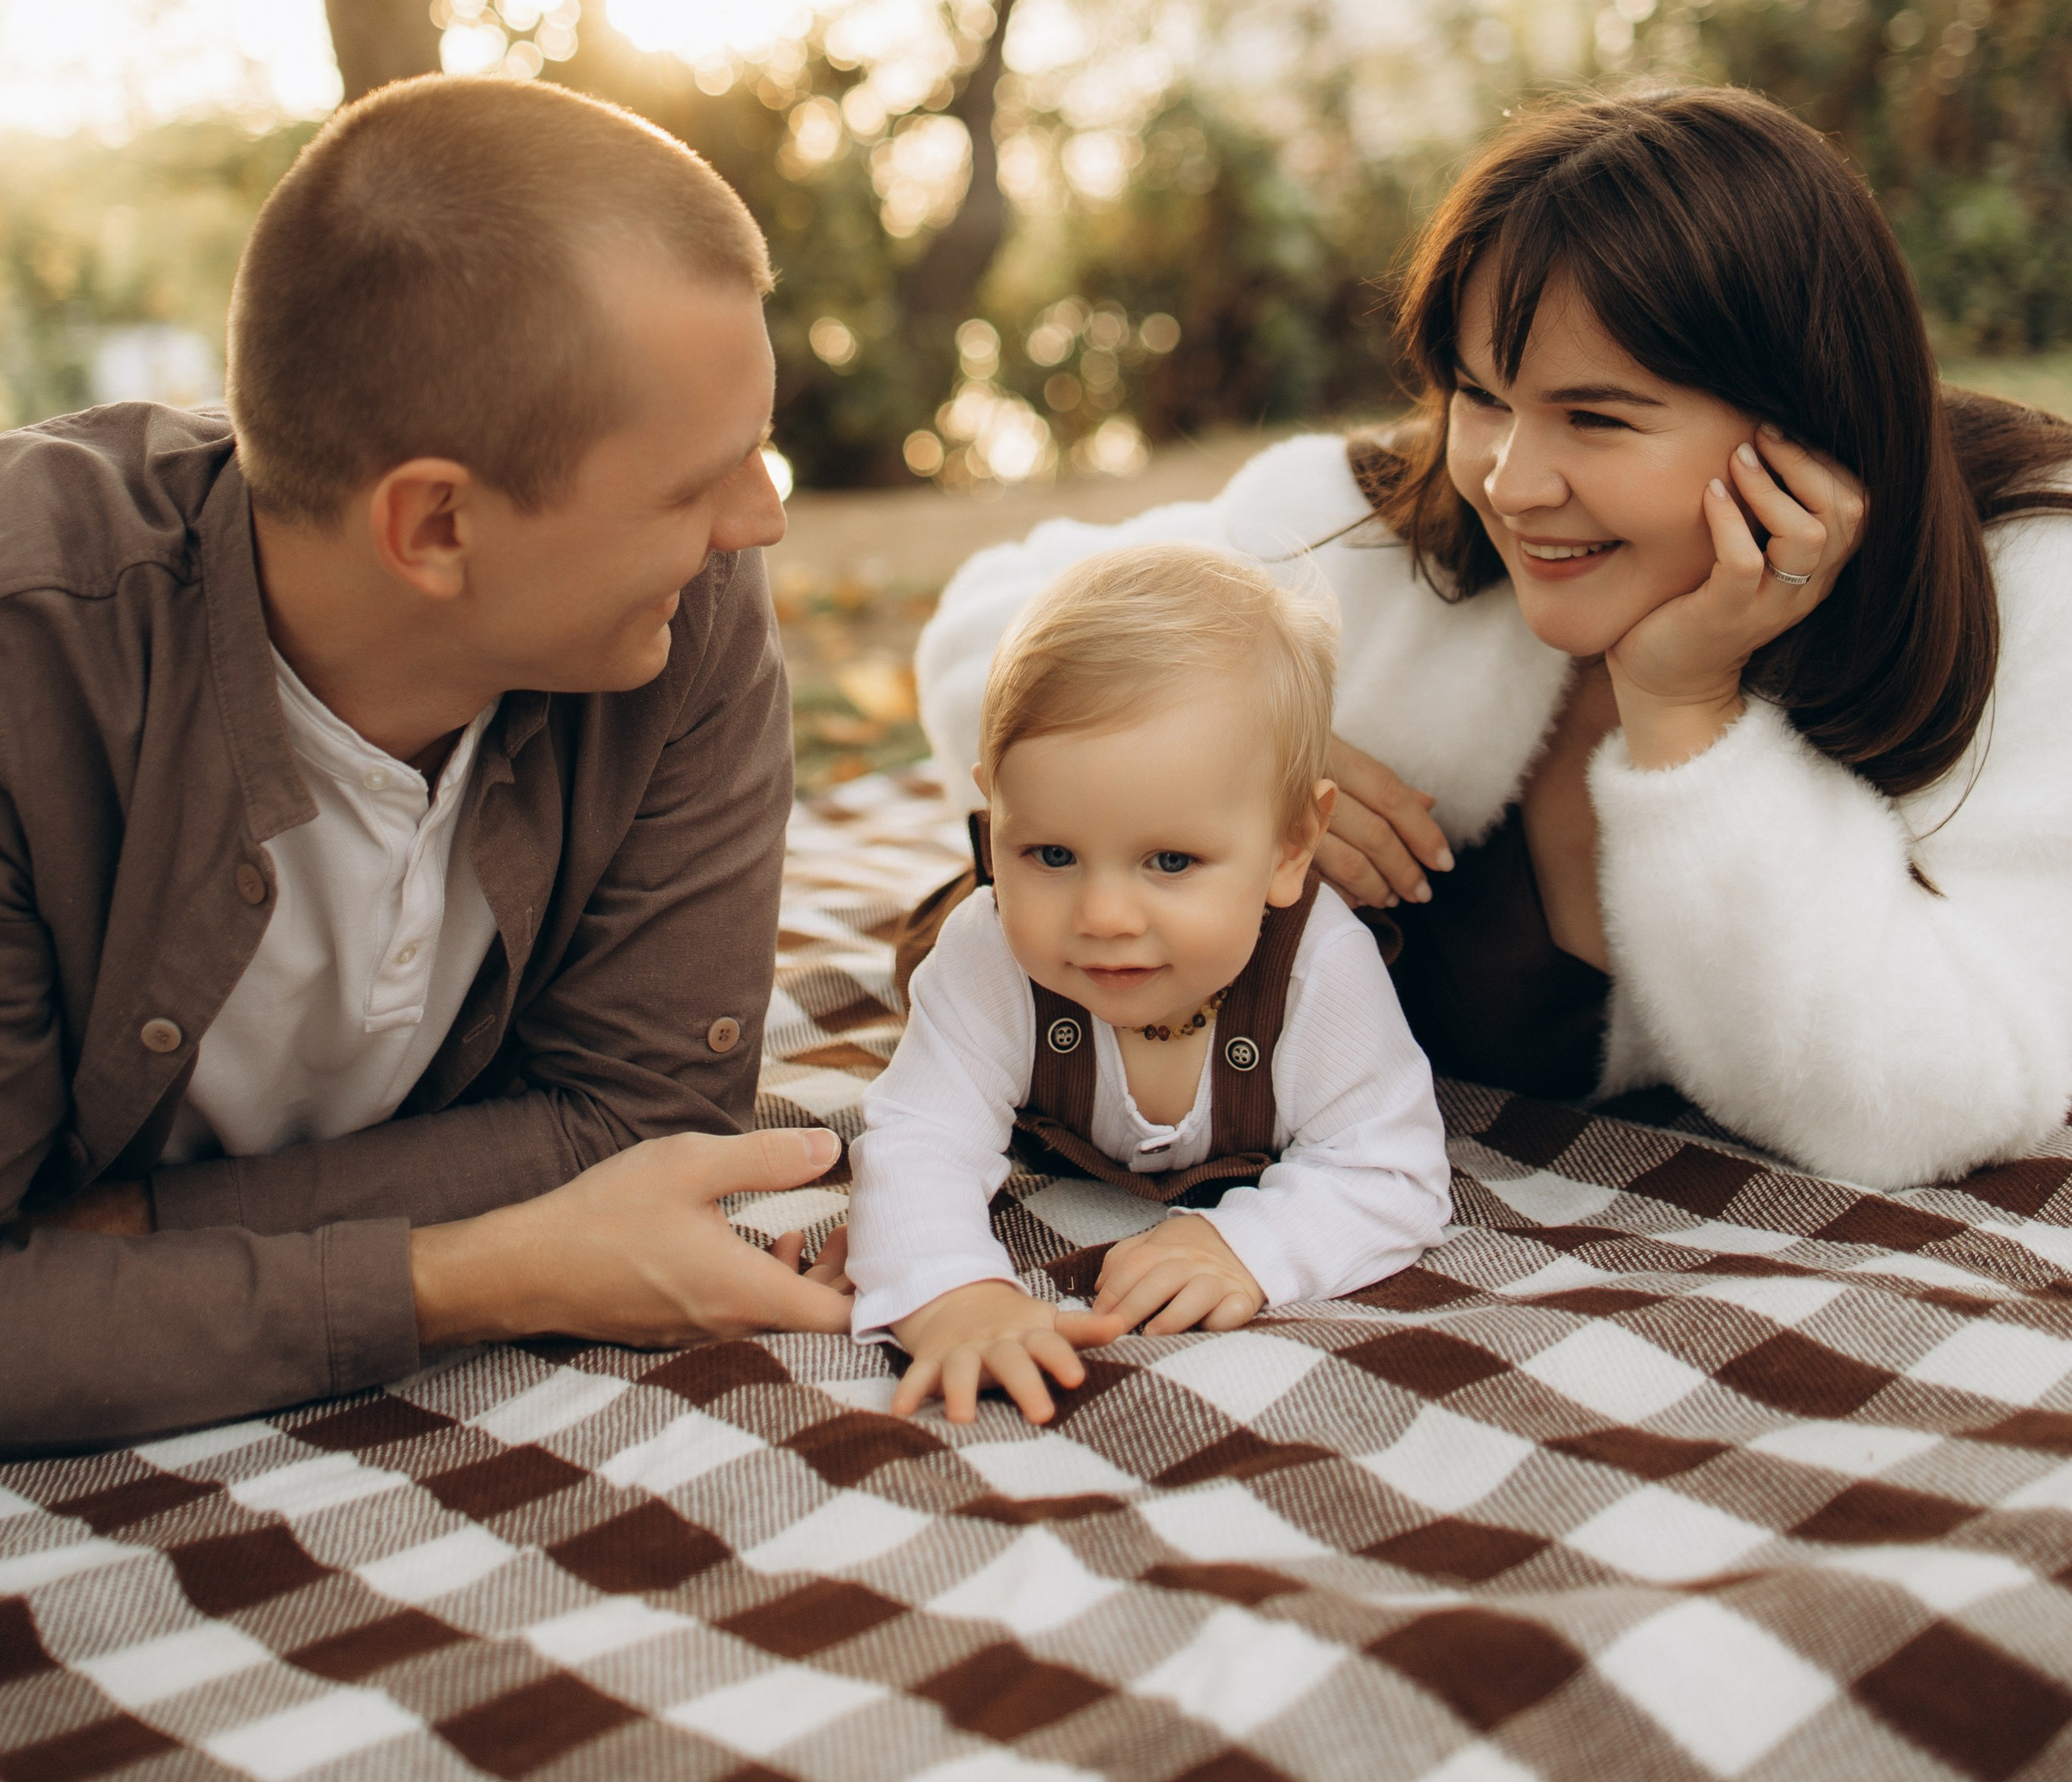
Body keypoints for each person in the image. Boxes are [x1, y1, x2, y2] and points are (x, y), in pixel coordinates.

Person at [915, 86, 2072, 1194]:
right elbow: (992, 624)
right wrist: (1224, 752)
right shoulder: (1370, 534)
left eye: (1596, 417)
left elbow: (1934, 1100)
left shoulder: (2028, 597)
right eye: (1482, 397)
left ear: (1804, 422)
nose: (1510, 483)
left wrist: (1686, 714)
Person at [0, 75, 847, 1456]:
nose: (759, 522)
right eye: (697, 483)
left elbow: (646, 1121)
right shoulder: (31, 669)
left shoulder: (682, 617)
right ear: (436, 525)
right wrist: (470, 1275)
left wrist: (138, 1238)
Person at [849, 547, 1450, 1424]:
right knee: (938, 955)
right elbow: (916, 1141)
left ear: (1290, 846)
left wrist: (1246, 1245)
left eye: (1170, 861)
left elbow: (1391, 1169)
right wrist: (949, 1293)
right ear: (994, 818)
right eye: (1049, 852)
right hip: (978, 966)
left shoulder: (1317, 969)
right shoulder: (991, 955)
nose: (1104, 916)